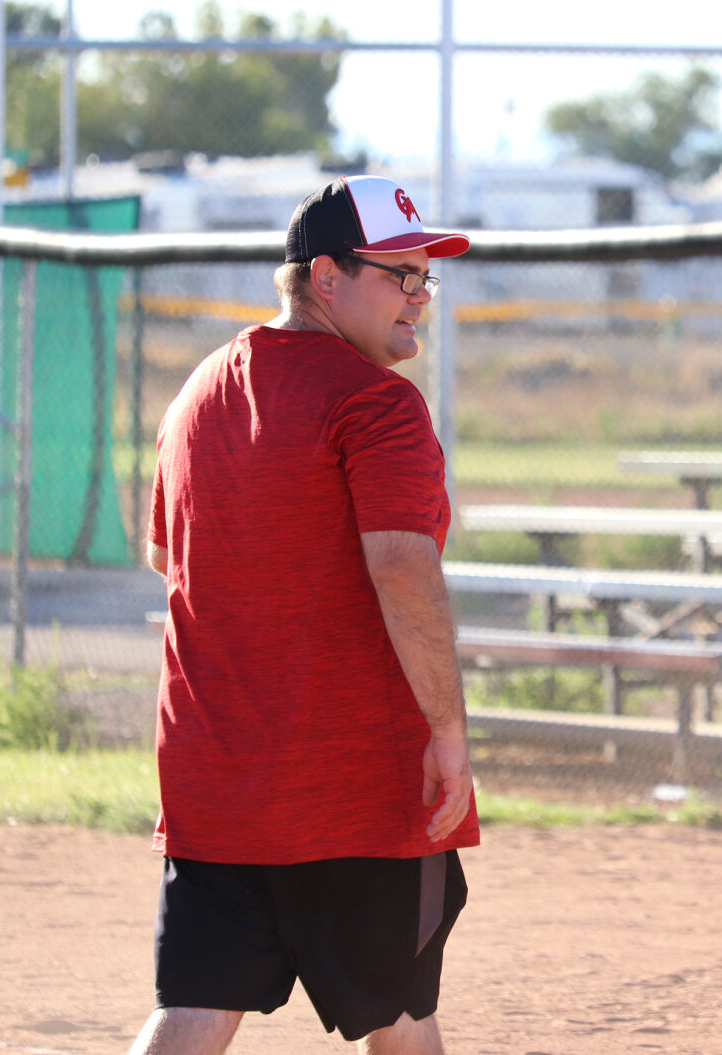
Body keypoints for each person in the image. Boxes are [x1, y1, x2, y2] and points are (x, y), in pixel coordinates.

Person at [131, 174, 478, 1055]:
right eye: (399, 276)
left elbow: (172, 559)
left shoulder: (200, 392)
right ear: (324, 275)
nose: (419, 300)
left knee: (195, 1008)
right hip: (355, 787)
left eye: (424, 278)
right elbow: (402, 566)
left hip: (217, 779)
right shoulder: (376, 400)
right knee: (400, 1014)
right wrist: (447, 729)